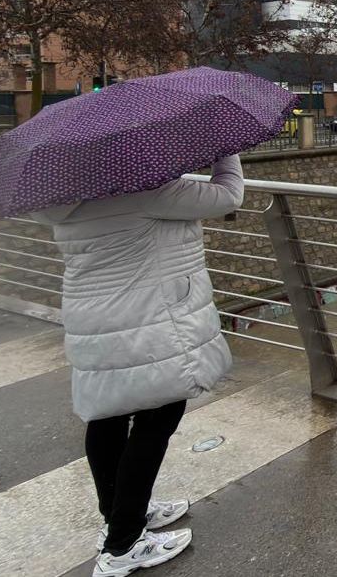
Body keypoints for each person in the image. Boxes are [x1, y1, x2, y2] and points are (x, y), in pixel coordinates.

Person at [33, 155, 243, 576]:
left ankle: (121, 516)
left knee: (107, 418)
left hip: (93, 322)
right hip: (144, 321)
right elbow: (228, 196)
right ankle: (123, 544)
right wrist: (227, 151)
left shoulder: (61, 197)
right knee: (159, 416)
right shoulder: (149, 192)